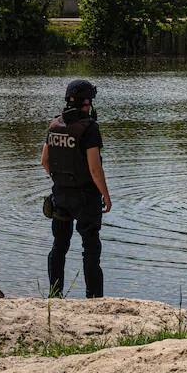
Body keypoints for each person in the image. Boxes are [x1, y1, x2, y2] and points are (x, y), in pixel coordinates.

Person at [41, 79, 112, 299]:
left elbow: (44, 160)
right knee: (91, 249)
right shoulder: (90, 129)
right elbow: (94, 168)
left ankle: (54, 295)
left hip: (60, 196)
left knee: (59, 246)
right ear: (86, 103)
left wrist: (62, 180)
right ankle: (94, 298)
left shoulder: (55, 125)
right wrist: (106, 196)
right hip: (86, 198)